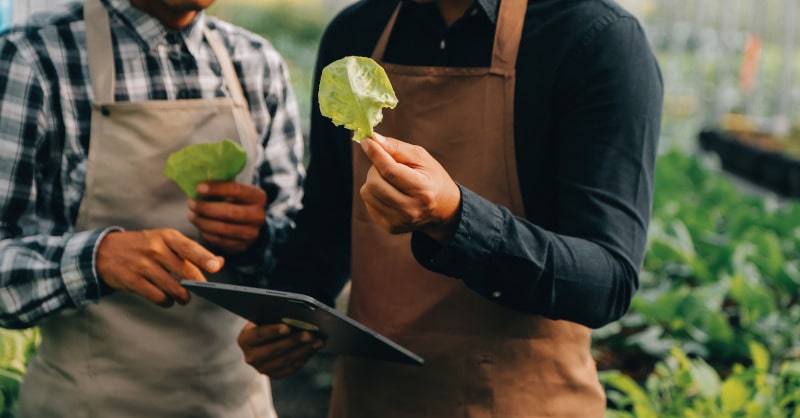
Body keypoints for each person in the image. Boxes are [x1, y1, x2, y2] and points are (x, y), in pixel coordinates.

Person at [238, 0, 663, 416]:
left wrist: (455, 217)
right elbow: (327, 226)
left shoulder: (594, 39)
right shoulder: (356, 31)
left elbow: (607, 281)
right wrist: (288, 317)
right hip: (371, 398)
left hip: (521, 401)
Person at [0, 0, 305, 416]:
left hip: (237, 404)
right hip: (86, 404)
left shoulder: (257, 63)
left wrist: (256, 240)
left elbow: (300, 263)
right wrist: (97, 257)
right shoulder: (33, 58)